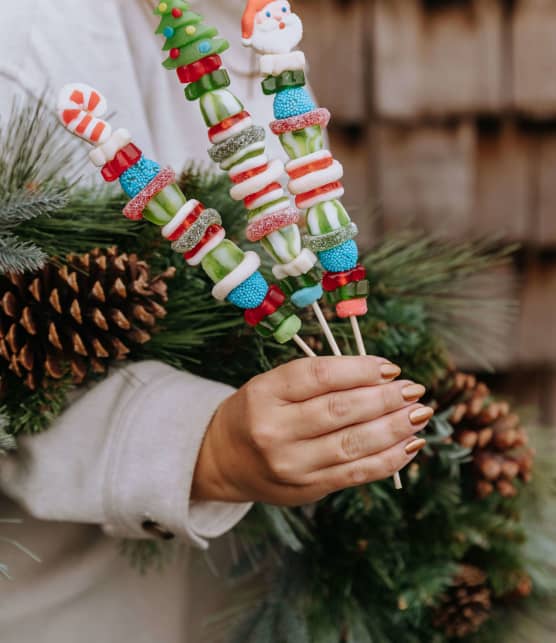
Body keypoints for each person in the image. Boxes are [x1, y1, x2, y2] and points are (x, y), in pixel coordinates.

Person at [0, 1, 431, 641]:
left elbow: (296, 222)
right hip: (79, 603)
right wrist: (205, 447)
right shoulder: (30, 40)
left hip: (257, 594)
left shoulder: (257, 26)